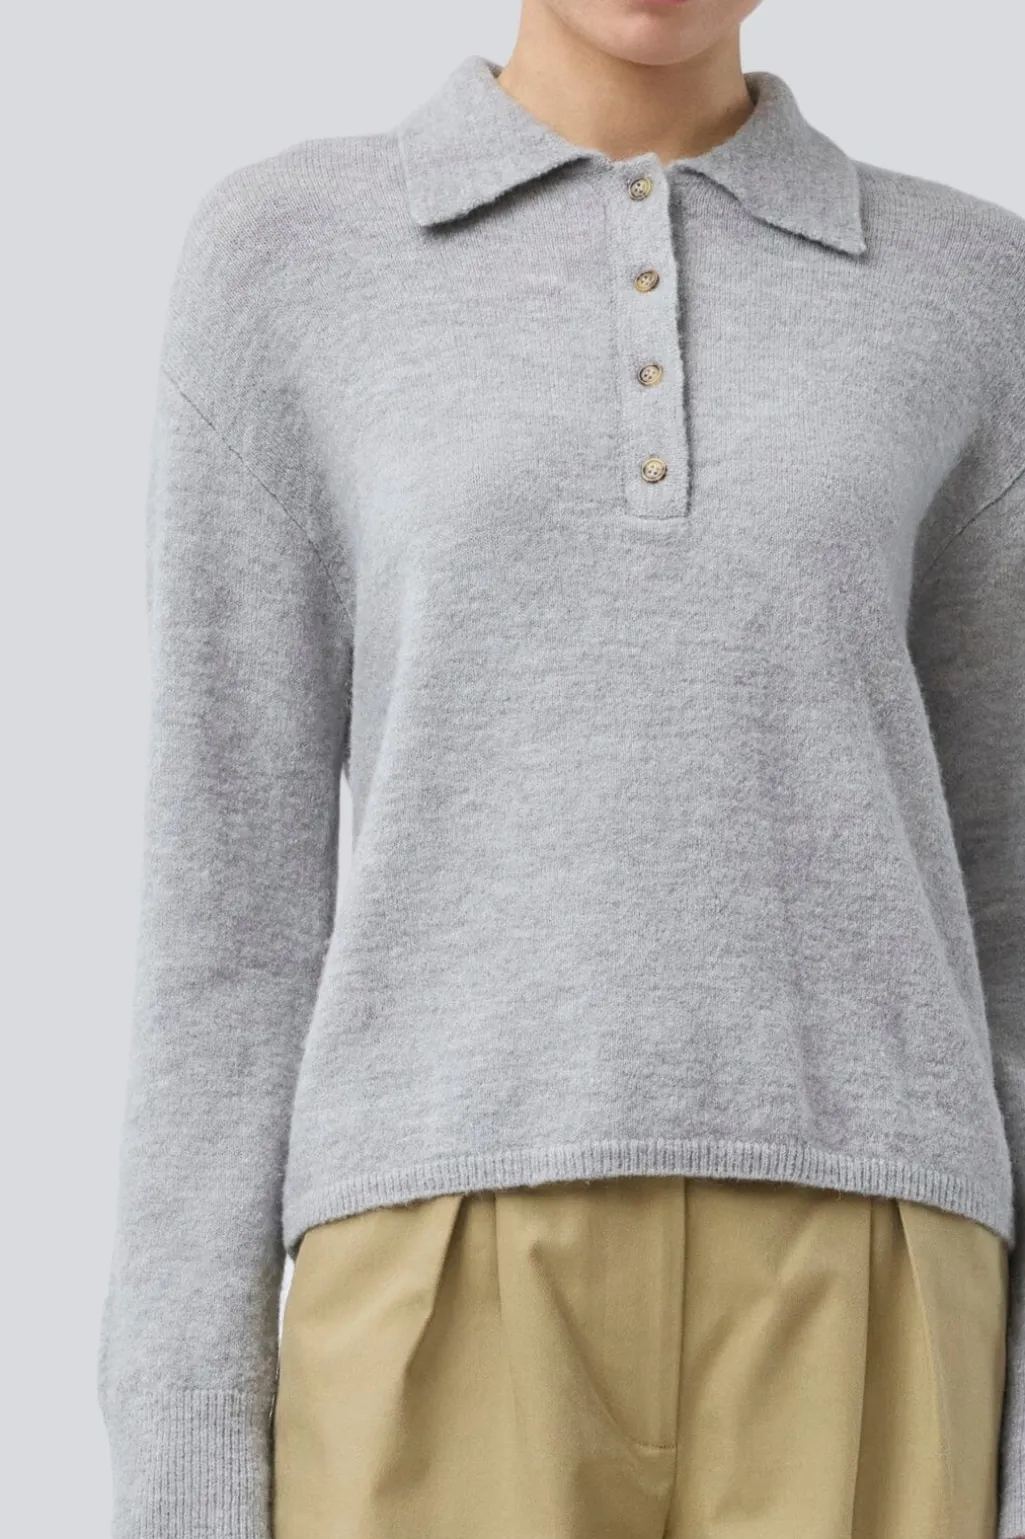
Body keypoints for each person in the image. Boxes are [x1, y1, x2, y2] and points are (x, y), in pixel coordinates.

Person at [96, 0, 1025, 1535]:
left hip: (873, 1262)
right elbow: (226, 919)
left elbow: (1013, 913)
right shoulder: (286, 261)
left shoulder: (976, 295)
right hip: (431, 1265)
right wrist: (183, 1468)